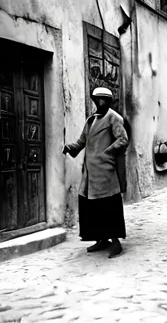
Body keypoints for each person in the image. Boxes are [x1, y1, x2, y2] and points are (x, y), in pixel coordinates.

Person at [62, 87, 128, 258]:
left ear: (109, 101)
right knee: (92, 208)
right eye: (98, 99)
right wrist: (70, 148)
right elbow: (81, 141)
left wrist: (107, 152)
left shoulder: (114, 118)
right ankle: (101, 239)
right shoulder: (91, 120)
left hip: (106, 172)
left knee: (108, 207)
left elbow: (123, 139)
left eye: (104, 99)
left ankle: (115, 242)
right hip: (90, 174)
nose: (100, 102)